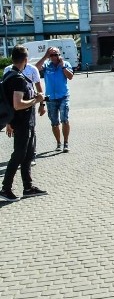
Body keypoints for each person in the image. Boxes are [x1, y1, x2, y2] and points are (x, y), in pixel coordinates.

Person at [1, 45, 48, 201]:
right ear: (26, 60)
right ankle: (5, 188)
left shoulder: (10, 74)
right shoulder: (17, 79)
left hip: (24, 121)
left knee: (27, 155)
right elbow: (17, 104)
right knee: (19, 155)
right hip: (22, 122)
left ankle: (28, 187)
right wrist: (37, 99)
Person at [4, 48, 47, 144]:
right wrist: (8, 122)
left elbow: (39, 89)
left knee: (31, 131)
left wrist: (42, 105)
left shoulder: (32, 69)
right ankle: (21, 157)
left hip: (29, 106)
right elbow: (6, 96)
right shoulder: (8, 70)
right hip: (16, 107)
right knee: (20, 136)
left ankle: (30, 156)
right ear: (26, 59)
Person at [35, 46, 74, 152]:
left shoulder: (66, 64)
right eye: (51, 55)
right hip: (49, 97)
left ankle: (66, 143)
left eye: (56, 54)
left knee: (65, 119)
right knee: (54, 122)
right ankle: (58, 143)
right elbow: (36, 68)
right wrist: (45, 56)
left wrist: (62, 67)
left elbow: (70, 77)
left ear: (59, 55)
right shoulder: (47, 65)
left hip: (64, 96)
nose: (54, 57)